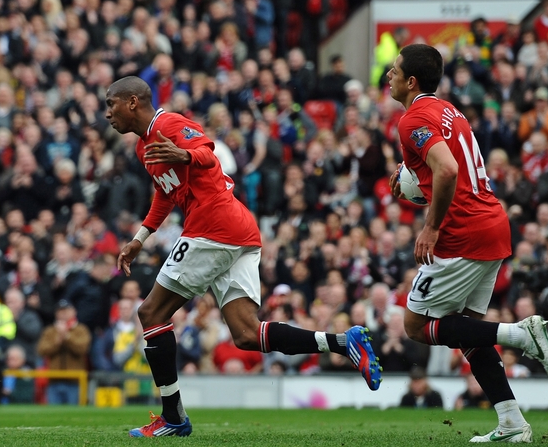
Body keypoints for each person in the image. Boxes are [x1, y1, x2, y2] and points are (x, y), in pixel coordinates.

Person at [106, 76, 382, 438]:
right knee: (248, 335)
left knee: (151, 312)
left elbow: (207, 152)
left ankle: (172, 416)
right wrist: (141, 237)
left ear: (131, 102)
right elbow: (166, 193)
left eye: (111, 104)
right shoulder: (144, 148)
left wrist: (183, 153)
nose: (107, 113)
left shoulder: (169, 124)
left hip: (213, 227)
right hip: (237, 231)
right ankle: (344, 342)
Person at [387, 43, 548, 443]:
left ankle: (518, 335)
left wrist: (430, 227)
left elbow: (445, 170)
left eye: (393, 70)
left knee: (415, 325)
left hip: (462, 233)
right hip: (491, 223)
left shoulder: (412, 120)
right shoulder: (450, 110)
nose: (388, 76)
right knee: (467, 330)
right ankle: (512, 421)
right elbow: (445, 166)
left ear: (411, 81)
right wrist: (413, 173)